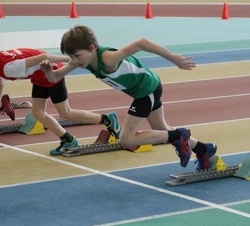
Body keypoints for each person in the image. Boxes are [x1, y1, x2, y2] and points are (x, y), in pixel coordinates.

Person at [40, 25, 217, 170]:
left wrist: (173, 58)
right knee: (160, 128)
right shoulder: (83, 60)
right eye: (71, 57)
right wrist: (48, 70)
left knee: (127, 139)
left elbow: (141, 43)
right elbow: (54, 77)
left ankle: (179, 136)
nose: (74, 61)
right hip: (148, 89)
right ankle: (204, 149)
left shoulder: (108, 58)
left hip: (146, 90)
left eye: (77, 56)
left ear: (92, 48)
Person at [0, 48, 121, 155]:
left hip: (53, 72)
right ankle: (68, 140)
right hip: (39, 77)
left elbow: (44, 57)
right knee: (37, 112)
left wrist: (72, 59)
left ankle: (108, 119)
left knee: (65, 113)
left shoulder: (8, 68)